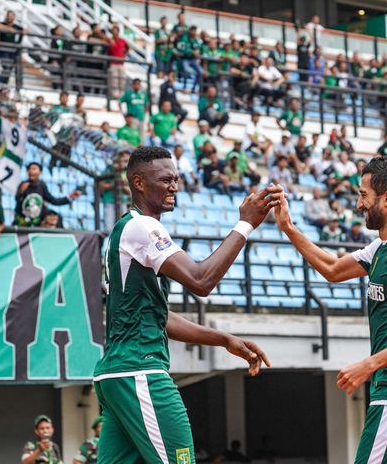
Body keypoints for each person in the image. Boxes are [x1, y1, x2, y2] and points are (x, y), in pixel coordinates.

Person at [93, 147, 281, 464]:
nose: (174, 186)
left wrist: (224, 339)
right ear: (138, 183)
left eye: (176, 179)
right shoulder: (142, 228)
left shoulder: (127, 230)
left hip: (117, 376)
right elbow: (201, 280)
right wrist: (245, 225)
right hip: (141, 370)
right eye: (165, 179)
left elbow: (158, 317)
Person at [273, 156, 387, 464]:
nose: (358, 204)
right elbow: (332, 269)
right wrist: (288, 226)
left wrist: (368, 365)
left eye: (363, 195)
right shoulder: (381, 248)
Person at [14, 162, 81, 226]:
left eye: (34, 169)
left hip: (37, 221)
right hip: (23, 221)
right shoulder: (23, 185)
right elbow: (17, 201)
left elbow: (53, 200)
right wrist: (20, 192)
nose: (31, 171)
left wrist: (69, 197)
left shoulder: (42, 185)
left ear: (40, 172)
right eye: (29, 169)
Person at [0, 10, 24, 86]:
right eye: (8, 16)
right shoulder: (2, 24)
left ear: (14, 17)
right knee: (6, 67)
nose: (9, 17)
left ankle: (3, 85)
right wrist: (9, 29)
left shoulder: (17, 27)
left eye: (11, 16)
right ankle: (0, 84)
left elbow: (24, 31)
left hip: (13, 51)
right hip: (3, 50)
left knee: (10, 69)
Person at [107, 24, 129, 99]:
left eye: (116, 31)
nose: (114, 33)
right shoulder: (109, 40)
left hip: (121, 63)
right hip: (113, 63)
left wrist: (124, 55)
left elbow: (127, 48)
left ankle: (121, 96)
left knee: (122, 79)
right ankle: (114, 96)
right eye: (113, 31)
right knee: (114, 80)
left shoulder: (122, 40)